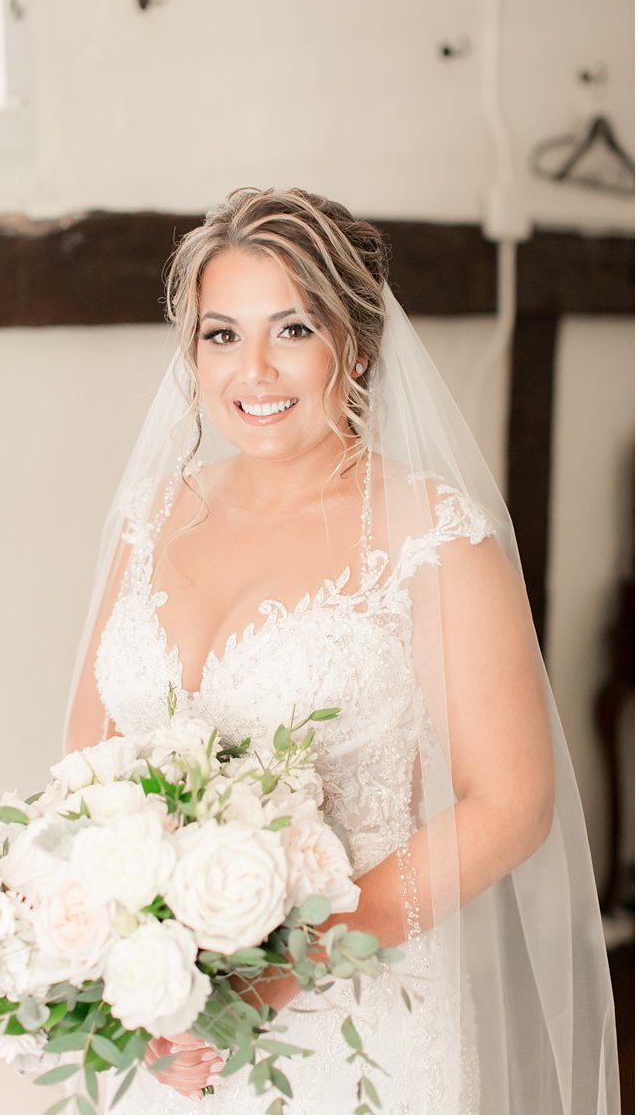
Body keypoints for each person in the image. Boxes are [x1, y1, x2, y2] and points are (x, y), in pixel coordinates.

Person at [63, 188, 618, 1113]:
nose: (254, 370)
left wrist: (284, 967)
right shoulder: (149, 517)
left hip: (358, 1022)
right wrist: (134, 985)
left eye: (291, 329)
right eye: (220, 334)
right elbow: (88, 777)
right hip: (172, 1033)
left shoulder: (429, 532)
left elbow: (513, 804)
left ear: (355, 344)